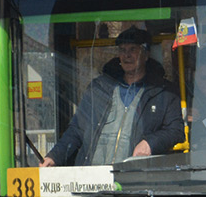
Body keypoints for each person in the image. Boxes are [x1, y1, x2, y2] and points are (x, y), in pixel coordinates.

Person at [42, 28, 183, 167]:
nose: (127, 55)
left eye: (133, 49)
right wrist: (54, 156)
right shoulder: (99, 88)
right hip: (92, 179)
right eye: (122, 50)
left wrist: (150, 143)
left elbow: (175, 130)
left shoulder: (164, 92)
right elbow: (77, 129)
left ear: (146, 55)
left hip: (134, 180)